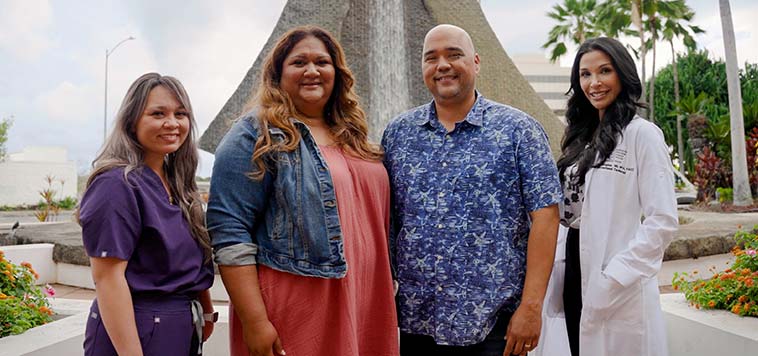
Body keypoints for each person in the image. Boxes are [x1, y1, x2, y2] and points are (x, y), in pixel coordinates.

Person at [206, 25, 399, 356]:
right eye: (299, 63)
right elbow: (229, 232)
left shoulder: (353, 135)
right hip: (300, 307)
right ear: (278, 74)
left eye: (322, 62)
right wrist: (255, 322)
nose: (312, 71)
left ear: (336, 73)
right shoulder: (256, 134)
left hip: (366, 299)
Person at [381, 24, 562, 356]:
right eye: (431, 58)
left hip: (494, 325)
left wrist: (532, 307)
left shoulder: (519, 131)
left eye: (454, 55)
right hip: (416, 323)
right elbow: (386, 220)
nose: (442, 65)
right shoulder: (398, 135)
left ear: (476, 62)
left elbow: (546, 218)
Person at [549, 37, 678, 356]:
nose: (594, 83)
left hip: (617, 275)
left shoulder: (642, 135)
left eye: (604, 71)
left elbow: (662, 221)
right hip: (575, 266)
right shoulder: (581, 136)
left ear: (622, 74)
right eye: (585, 74)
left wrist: (615, 276)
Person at [78, 73, 216, 356]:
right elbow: (107, 278)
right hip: (136, 330)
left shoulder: (178, 184)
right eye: (158, 113)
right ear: (132, 121)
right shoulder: (116, 184)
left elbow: (190, 259)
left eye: (181, 114)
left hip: (181, 327)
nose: (172, 123)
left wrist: (206, 309)